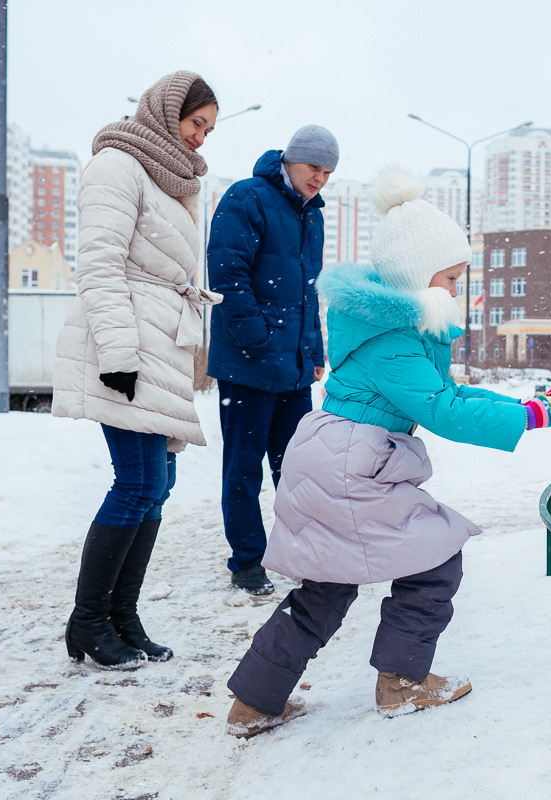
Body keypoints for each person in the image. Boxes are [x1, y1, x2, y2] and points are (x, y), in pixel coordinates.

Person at [224, 166, 551, 737]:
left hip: (336, 455)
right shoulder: (392, 339)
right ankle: (402, 683)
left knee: (327, 586)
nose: (458, 290)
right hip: (350, 463)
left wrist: (524, 404)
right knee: (434, 557)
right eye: (451, 277)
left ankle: (255, 702)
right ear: (419, 275)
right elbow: (444, 411)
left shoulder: (391, 326)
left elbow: (448, 392)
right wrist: (531, 418)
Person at [52, 70, 222, 670]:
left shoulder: (173, 180)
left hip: (161, 347)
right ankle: (88, 623)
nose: (201, 138)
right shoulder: (118, 165)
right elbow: (99, 266)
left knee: (157, 485)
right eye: (195, 123)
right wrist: (119, 355)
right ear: (166, 111)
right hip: (124, 346)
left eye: (207, 128)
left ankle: (121, 617)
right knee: (137, 484)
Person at [206, 124, 339, 596]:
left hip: (294, 368)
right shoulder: (248, 198)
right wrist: (259, 342)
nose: (320, 178)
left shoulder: (313, 216)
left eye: (328, 171)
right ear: (290, 160)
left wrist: (314, 350)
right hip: (248, 364)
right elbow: (227, 276)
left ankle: (299, 552)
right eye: (313, 168)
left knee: (297, 468)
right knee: (244, 467)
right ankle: (246, 561)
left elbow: (308, 293)